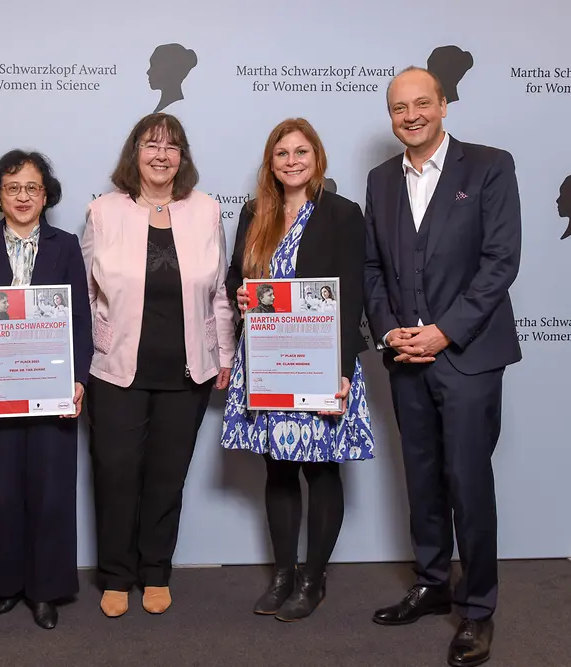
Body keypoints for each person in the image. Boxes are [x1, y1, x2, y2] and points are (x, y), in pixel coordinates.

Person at [363, 66, 522, 667]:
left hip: (469, 357)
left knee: (468, 479)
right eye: (399, 108)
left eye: (421, 104)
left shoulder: (488, 166)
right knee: (422, 476)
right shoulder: (381, 180)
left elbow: (500, 261)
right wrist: (389, 331)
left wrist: (444, 332)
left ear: (444, 105)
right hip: (404, 356)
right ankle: (432, 583)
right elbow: (373, 268)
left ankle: (477, 608)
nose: (411, 116)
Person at [81, 112, 235, 618]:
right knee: (116, 474)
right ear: (135, 153)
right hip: (116, 371)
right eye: (151, 144)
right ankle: (117, 575)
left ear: (183, 157)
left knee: (168, 477)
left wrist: (226, 357)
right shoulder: (103, 212)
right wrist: (79, 366)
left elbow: (220, 296)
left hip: (186, 372)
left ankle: (155, 572)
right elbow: (84, 296)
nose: (161, 154)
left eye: (172, 146)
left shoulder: (207, 211)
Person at [221, 118, 375, 622]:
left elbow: (351, 293)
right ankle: (283, 574)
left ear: (317, 158)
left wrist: (344, 369)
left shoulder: (342, 213)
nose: (292, 161)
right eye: (282, 153)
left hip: (321, 360)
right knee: (279, 466)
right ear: (271, 162)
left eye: (301, 152)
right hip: (267, 358)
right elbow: (233, 281)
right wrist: (241, 293)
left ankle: (314, 578)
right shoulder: (254, 213)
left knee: (321, 467)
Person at [0, 150, 92, 630]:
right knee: (7, 490)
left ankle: (47, 590)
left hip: (53, 387)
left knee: (52, 492)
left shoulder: (66, 244)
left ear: (46, 193)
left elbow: (80, 321)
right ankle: (9, 585)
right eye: (13, 188)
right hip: (0, 387)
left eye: (32, 187)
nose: (23, 196)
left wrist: (78, 379)